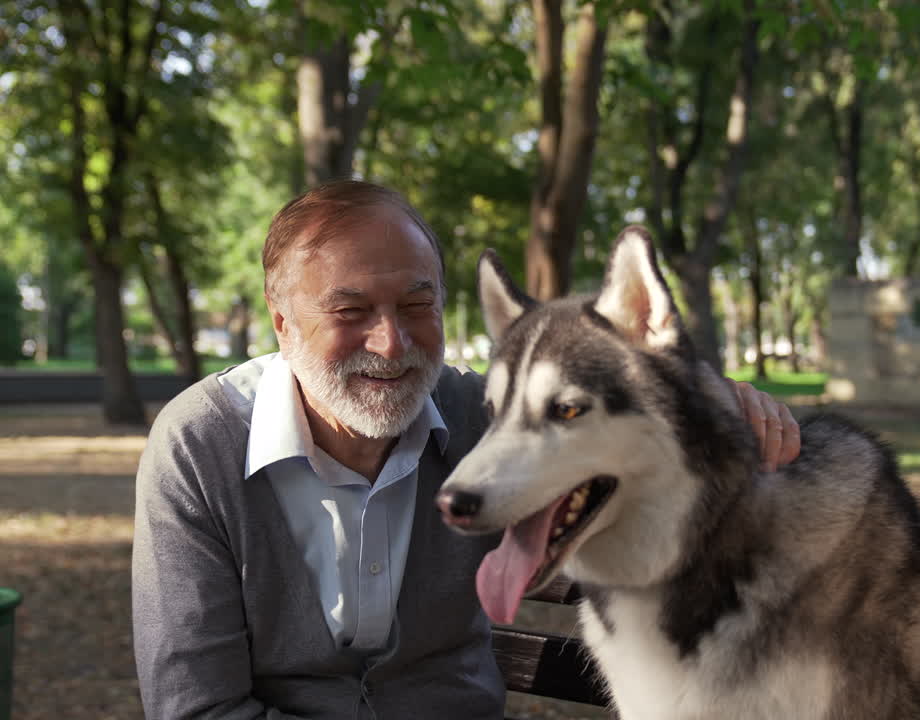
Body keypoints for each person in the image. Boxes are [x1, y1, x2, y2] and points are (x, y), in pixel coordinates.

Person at [132, 179, 801, 719]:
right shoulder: (201, 446)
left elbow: (627, 406)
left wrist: (726, 400)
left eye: (416, 305)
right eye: (351, 311)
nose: (392, 344)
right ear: (283, 324)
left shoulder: (486, 418)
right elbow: (196, 708)